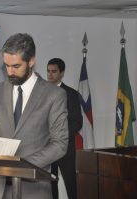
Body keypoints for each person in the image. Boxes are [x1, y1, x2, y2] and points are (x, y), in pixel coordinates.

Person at [0, 33, 68, 199]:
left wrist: (21, 165)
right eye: (6, 66)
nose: (10, 72)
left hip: (34, 190)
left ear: (31, 61)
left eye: (16, 66)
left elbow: (59, 144)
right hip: (0, 190)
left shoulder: (54, 95)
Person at [47, 58, 82, 199]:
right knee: (50, 182)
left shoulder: (71, 94)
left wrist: (60, 136)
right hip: (47, 147)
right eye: (48, 71)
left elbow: (77, 122)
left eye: (54, 71)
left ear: (62, 73)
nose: (50, 75)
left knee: (71, 183)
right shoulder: (43, 94)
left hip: (65, 146)